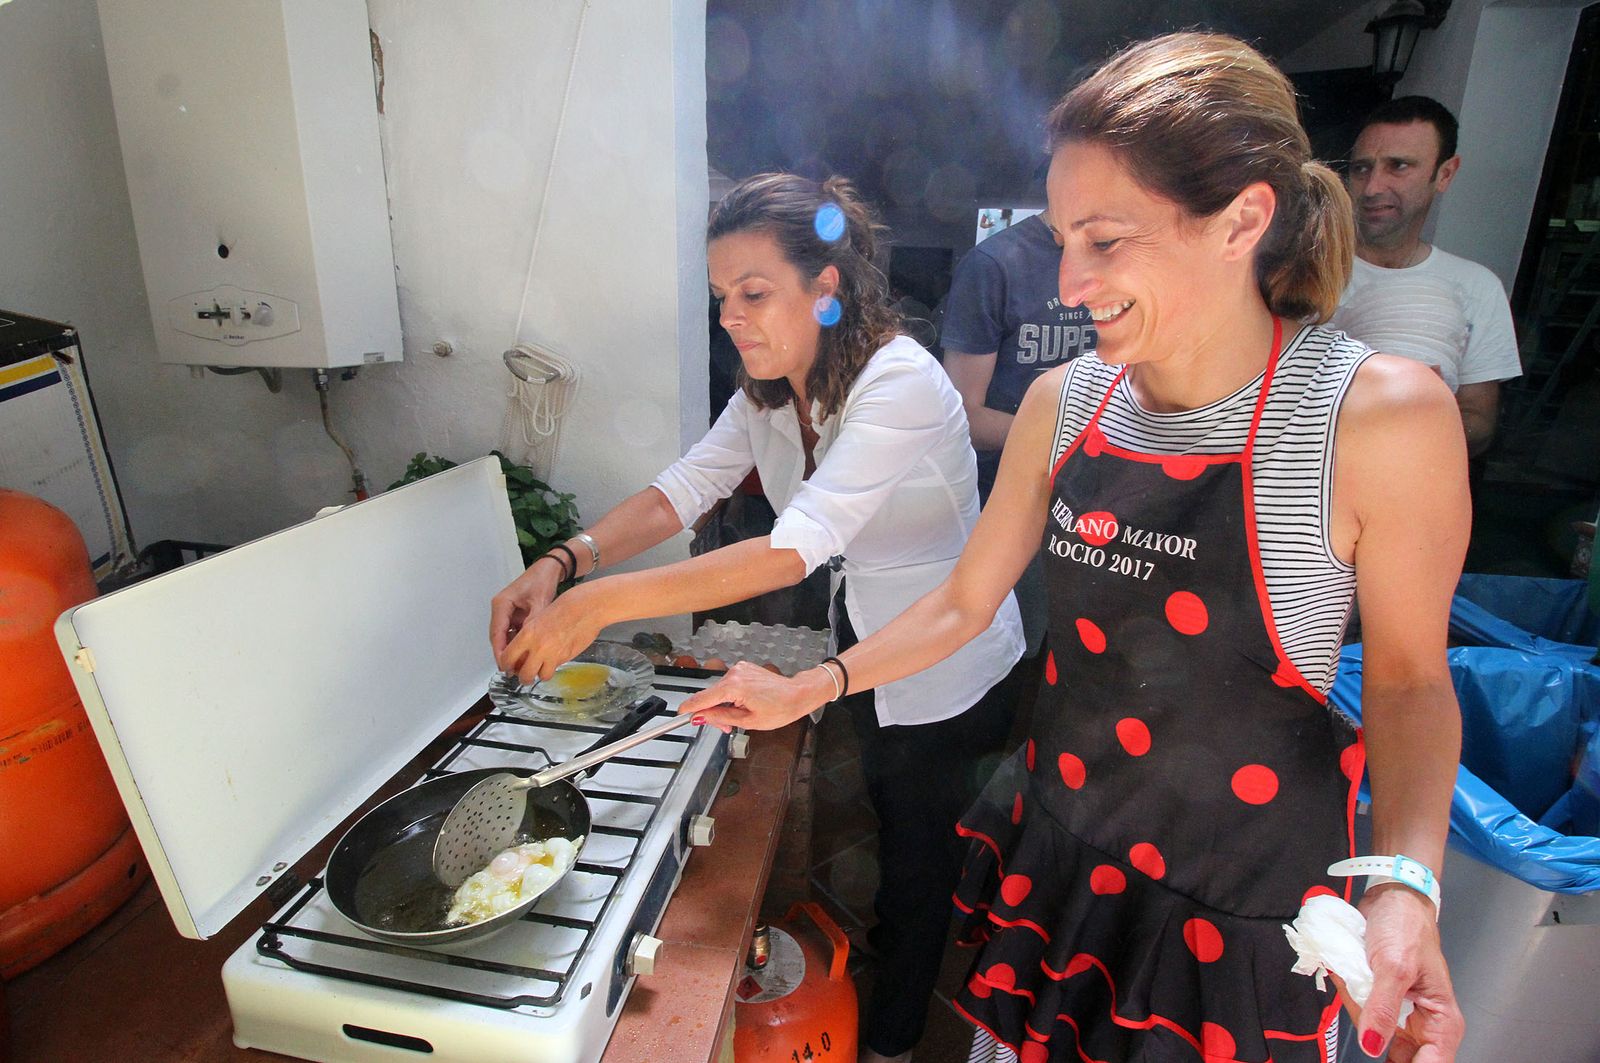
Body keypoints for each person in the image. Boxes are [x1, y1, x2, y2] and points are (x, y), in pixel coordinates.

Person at [684, 34, 1467, 1063]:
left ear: (1242, 220)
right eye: (1059, 237)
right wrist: (813, 686)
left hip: (1245, 911)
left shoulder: (1373, 417)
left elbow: (1411, 683)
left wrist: (1406, 886)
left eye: (1102, 239)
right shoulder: (1069, 404)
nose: (1064, 279)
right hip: (1066, 858)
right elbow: (965, 603)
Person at [491, 172, 1026, 1063]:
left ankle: (895, 1039)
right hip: (864, 629)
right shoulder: (771, 388)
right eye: (720, 298)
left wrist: (600, 602)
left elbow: (792, 547)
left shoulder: (898, 381)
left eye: (754, 294)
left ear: (826, 290)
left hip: (948, 653)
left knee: (921, 852)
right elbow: (680, 491)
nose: (733, 318)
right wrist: (563, 559)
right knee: (884, 805)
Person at [942, 207, 1096, 661]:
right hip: (1010, 496)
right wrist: (1073, 440)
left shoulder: (1134, 257)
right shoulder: (994, 266)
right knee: (1012, 647)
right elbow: (962, 419)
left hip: (1097, 495)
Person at [1330, 95, 1521, 457]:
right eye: (1361, 168)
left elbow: (1480, 423)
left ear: (1445, 174)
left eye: (1398, 166)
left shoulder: (1477, 287)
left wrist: (1428, 411)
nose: (1372, 188)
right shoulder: (1301, 270)